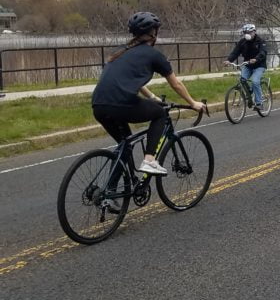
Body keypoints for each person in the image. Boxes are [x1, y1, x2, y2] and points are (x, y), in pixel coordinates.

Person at [92, 12, 205, 178]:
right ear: (154, 33)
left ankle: (109, 195)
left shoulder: (120, 51)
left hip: (99, 105)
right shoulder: (154, 55)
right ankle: (150, 160)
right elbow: (176, 84)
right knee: (159, 113)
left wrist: (152, 98)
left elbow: (129, 80)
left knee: (125, 145)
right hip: (121, 104)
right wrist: (193, 102)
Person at [224, 23, 268, 110]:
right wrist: (229, 60)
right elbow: (235, 52)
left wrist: (256, 59)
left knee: (255, 82)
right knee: (242, 80)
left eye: (249, 32)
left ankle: (259, 103)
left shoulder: (260, 41)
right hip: (247, 65)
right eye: (245, 32)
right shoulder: (242, 42)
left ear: (254, 32)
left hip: (259, 65)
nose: (247, 34)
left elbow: (263, 52)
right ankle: (250, 92)